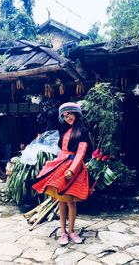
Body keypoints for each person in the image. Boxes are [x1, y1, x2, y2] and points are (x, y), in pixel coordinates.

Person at [32, 102, 90, 245]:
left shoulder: (82, 131)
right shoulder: (65, 131)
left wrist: (72, 169)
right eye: (64, 116)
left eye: (69, 114)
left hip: (74, 169)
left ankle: (71, 231)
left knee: (70, 201)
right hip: (62, 166)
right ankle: (63, 232)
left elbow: (81, 153)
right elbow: (61, 151)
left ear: (76, 113)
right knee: (61, 199)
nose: (67, 118)